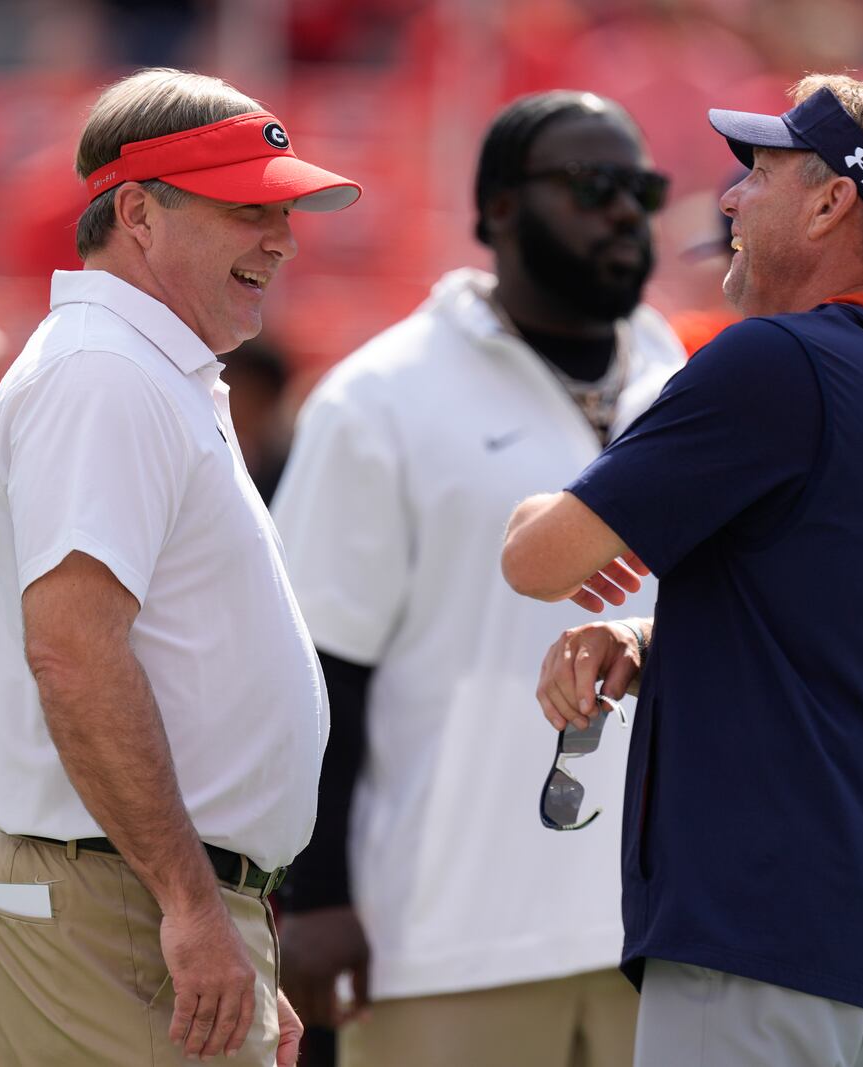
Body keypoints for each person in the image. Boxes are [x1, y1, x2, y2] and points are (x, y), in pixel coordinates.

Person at [502, 74, 863, 1065]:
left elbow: (540, 559)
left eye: (761, 174)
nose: (729, 200)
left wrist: (534, 508)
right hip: (860, 936)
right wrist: (655, 640)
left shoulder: (779, 361)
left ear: (833, 202)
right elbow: (842, 631)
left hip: (753, 923)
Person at [271, 90, 684, 1067]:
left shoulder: (681, 374)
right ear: (497, 206)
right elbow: (318, 670)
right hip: (443, 933)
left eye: (641, 187)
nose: (625, 209)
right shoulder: (379, 397)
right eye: (593, 185)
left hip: (659, 931)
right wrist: (316, 893)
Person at [0, 67, 360, 1066]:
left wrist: (233, 922)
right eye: (248, 209)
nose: (282, 236)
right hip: (119, 899)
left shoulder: (141, 368)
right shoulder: (104, 372)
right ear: (139, 212)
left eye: (284, 210)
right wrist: (191, 904)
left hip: (142, 894)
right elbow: (74, 654)